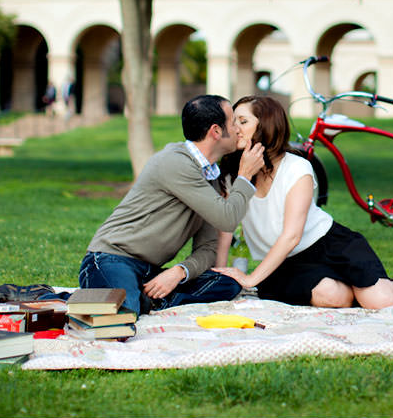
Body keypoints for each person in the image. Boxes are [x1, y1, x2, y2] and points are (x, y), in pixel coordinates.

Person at [213, 95, 393, 309]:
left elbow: (292, 235)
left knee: (381, 301)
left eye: (243, 121)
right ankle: (361, 290)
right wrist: (221, 277)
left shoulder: (297, 168)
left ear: (267, 124)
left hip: (330, 246)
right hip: (283, 262)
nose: (235, 129)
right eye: (234, 122)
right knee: (333, 298)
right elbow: (226, 225)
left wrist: (251, 279)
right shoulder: (233, 174)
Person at [78, 94, 266, 317]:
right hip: (111, 258)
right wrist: (244, 176)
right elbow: (228, 218)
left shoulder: (210, 176)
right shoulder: (176, 162)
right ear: (216, 132)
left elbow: (208, 248)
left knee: (228, 283)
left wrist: (179, 272)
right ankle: (130, 300)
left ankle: (145, 298)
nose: (237, 129)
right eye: (233, 121)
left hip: (150, 270)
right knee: (122, 316)